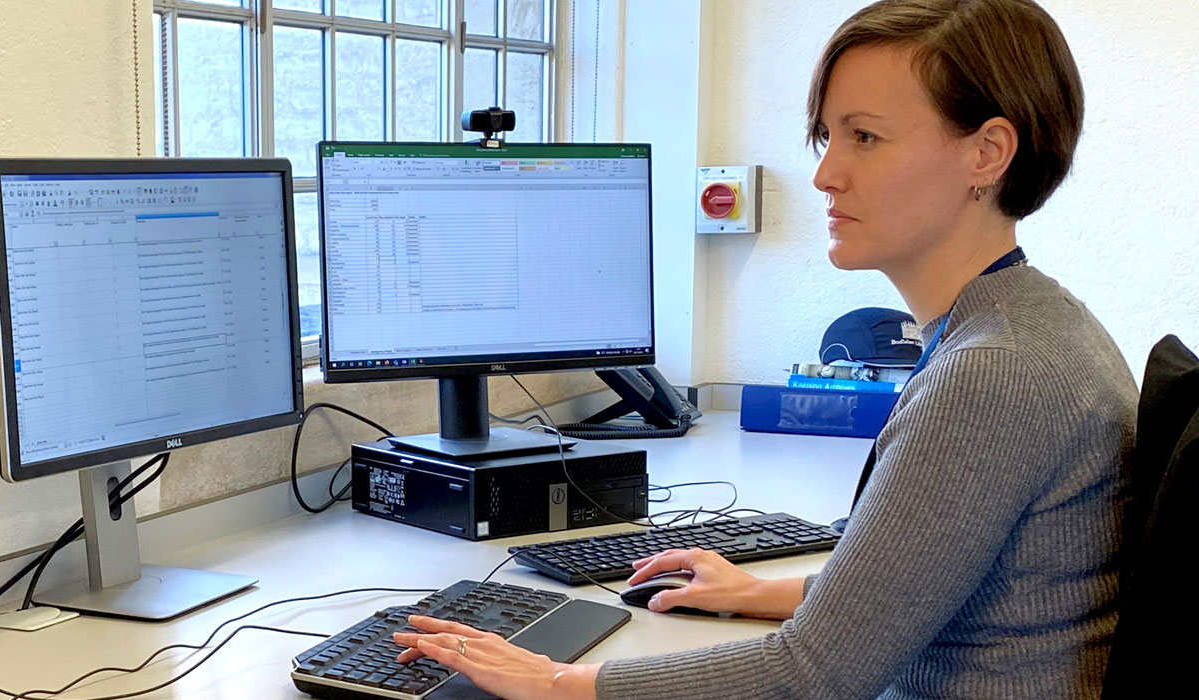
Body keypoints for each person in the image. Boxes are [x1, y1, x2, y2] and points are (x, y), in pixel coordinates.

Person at [391, 1, 1138, 698]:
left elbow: (813, 675)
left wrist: (559, 684)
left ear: (988, 153)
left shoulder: (994, 371)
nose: (824, 174)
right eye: (829, 137)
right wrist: (756, 591)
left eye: (865, 137)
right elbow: (918, 585)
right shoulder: (1025, 323)